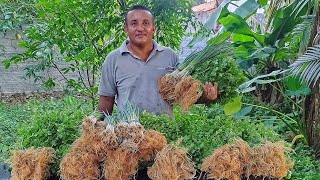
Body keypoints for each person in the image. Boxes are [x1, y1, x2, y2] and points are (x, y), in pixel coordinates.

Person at [98, 5, 218, 116]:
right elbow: (106, 100)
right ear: (126, 29)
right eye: (134, 23)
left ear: (153, 28)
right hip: (129, 133)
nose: (140, 28)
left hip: (164, 132)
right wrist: (98, 129)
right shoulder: (113, 59)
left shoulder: (169, 56)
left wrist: (206, 97)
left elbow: (183, 94)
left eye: (146, 23)